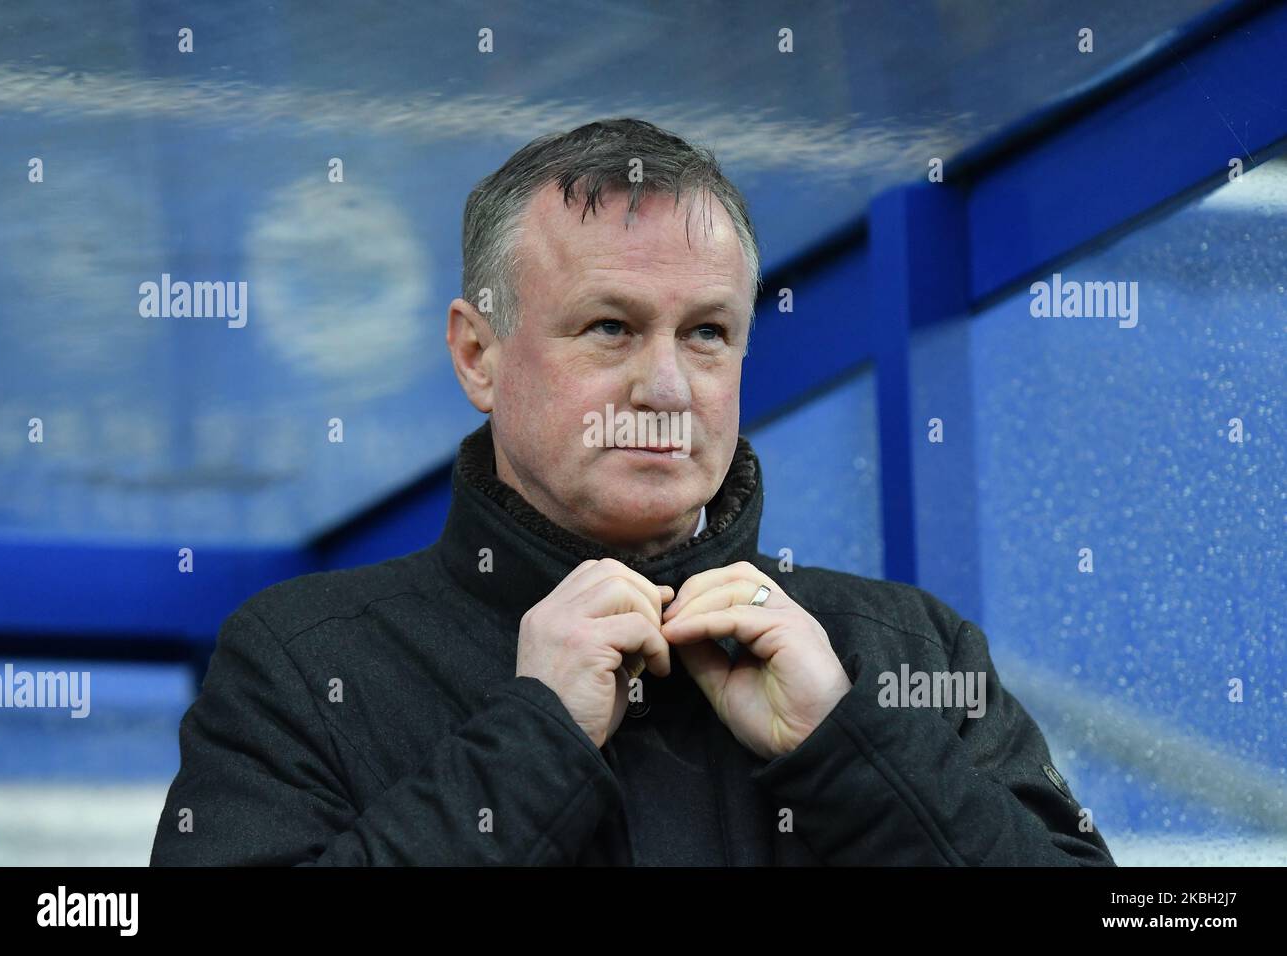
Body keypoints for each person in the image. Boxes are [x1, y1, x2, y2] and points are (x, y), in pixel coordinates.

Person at [150, 118, 1114, 866]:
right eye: (610, 327)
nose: (665, 385)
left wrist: (850, 749)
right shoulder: (298, 661)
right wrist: (532, 744)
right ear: (478, 354)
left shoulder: (904, 649)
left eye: (707, 333)